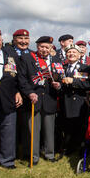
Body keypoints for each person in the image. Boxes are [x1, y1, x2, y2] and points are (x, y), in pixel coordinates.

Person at [18, 36, 63, 164]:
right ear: (37, 47)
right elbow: (22, 79)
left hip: (50, 99)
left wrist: (58, 84)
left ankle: (50, 154)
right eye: (41, 47)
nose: (44, 49)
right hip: (33, 99)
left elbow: (60, 77)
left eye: (47, 47)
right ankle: (34, 156)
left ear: (51, 48)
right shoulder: (27, 58)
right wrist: (29, 92)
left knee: (49, 130)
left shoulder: (56, 59)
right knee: (33, 131)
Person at [0, 28, 23, 170]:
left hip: (8, 100)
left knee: (9, 133)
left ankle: (7, 161)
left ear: (2, 41)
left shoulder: (10, 54)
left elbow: (17, 77)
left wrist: (17, 91)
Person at [60, 44, 90, 156]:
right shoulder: (62, 67)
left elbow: (88, 84)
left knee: (78, 127)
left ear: (79, 55)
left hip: (78, 101)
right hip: (64, 101)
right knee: (66, 127)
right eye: (69, 52)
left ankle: (79, 150)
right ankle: (66, 149)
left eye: (74, 52)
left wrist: (73, 81)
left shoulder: (84, 68)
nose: (71, 54)